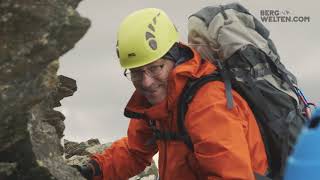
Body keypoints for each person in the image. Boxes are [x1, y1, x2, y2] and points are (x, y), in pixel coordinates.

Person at [75, 8, 268, 180]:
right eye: (135, 72)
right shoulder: (160, 103)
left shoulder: (209, 105)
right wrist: (94, 170)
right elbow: (135, 151)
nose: (146, 82)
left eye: (155, 68)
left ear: (175, 59)